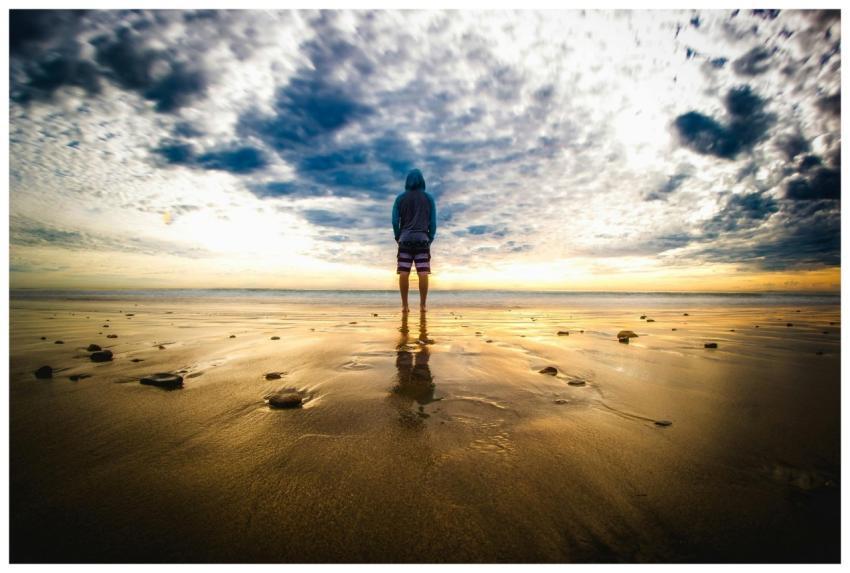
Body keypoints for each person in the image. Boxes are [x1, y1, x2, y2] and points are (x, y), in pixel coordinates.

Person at [392, 169, 436, 313]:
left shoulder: (400, 198)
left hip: (405, 239)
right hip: (422, 239)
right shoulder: (429, 198)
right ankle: (423, 306)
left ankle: (405, 306)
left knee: (404, 272)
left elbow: (394, 221)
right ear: (422, 181)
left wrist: (398, 236)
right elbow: (433, 222)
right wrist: (431, 237)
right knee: (423, 273)